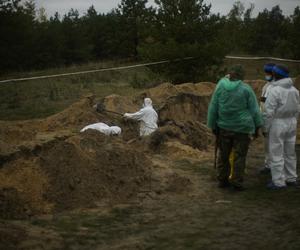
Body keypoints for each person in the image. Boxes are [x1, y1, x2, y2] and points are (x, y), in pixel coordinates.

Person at [207, 65, 263, 191]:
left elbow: (213, 107)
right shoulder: (246, 89)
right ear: (241, 76)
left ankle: (222, 180)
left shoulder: (220, 87)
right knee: (239, 156)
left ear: (230, 75)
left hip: (224, 127)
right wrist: (257, 126)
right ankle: (237, 182)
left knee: (223, 155)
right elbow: (254, 110)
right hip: (242, 128)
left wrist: (212, 125)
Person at [263, 65, 300, 189]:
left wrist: (265, 128)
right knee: (290, 152)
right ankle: (291, 178)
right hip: (291, 122)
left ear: (275, 75)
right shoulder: (294, 90)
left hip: (277, 123)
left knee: (276, 152)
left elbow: (269, 112)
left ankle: (278, 181)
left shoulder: (274, 90)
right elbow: (298, 109)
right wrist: (295, 121)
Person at [260, 63, 276, 174]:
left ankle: (274, 167)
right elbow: (262, 102)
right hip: (265, 118)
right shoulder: (266, 85)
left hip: (273, 120)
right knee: (267, 144)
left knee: (274, 145)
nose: (266, 75)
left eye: (268, 73)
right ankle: (268, 165)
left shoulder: (276, 87)